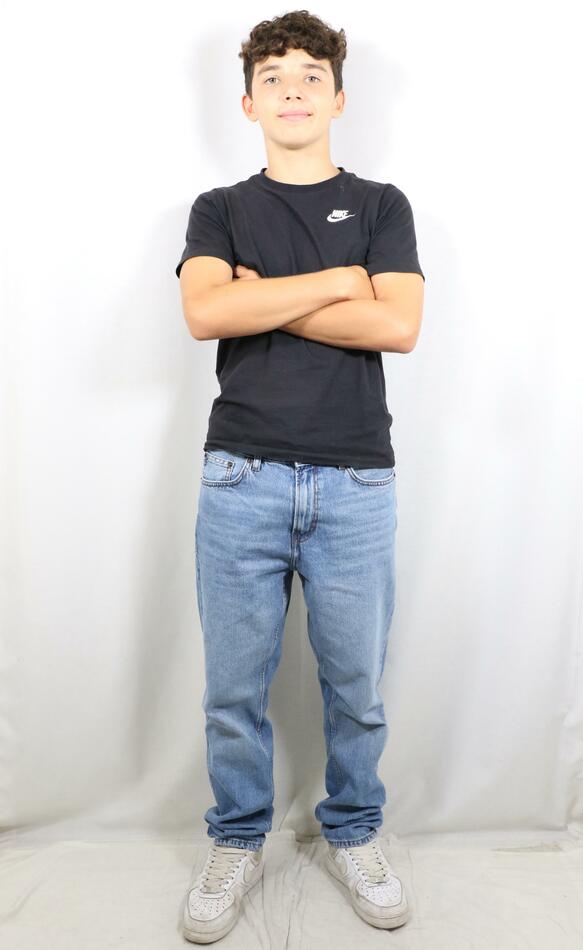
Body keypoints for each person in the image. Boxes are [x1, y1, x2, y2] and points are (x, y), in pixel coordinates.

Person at [176, 10, 425, 943]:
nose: (292, 89)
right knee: (232, 690)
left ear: (338, 99)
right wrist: (338, 282)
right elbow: (205, 315)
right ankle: (236, 839)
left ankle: (354, 832)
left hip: (355, 482)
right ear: (247, 103)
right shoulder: (219, 209)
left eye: (310, 76)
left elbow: (397, 327)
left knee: (355, 686)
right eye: (273, 77)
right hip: (239, 476)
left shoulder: (382, 205)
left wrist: (260, 296)